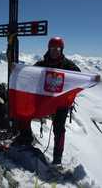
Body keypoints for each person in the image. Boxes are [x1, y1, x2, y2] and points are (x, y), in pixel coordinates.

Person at [13, 36, 81, 165]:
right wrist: (16, 70)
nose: (55, 51)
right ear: (48, 49)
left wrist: (92, 79)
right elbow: (29, 73)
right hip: (44, 100)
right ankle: (26, 138)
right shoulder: (42, 63)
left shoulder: (68, 65)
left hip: (60, 102)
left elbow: (78, 77)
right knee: (25, 112)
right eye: (52, 48)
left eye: (57, 48)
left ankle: (57, 159)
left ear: (61, 49)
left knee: (59, 128)